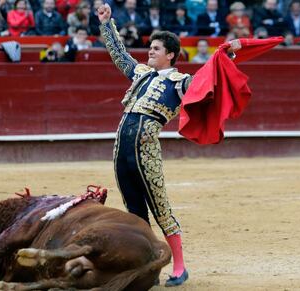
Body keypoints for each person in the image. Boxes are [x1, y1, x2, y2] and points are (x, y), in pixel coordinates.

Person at [97, 2, 241, 287]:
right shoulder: (139, 73)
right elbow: (119, 54)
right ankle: (144, 266)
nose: (150, 51)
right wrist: (105, 24)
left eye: (157, 49)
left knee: (159, 207)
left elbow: (212, 78)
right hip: (121, 147)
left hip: (146, 148)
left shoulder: (181, 82)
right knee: (134, 210)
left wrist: (230, 55)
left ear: (171, 55)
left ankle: (179, 266)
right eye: (150, 47)